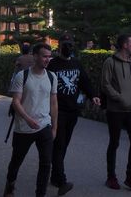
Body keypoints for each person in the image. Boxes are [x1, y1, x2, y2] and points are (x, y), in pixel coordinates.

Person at [47, 34, 101, 195]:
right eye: (66, 44)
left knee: (64, 145)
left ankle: (55, 176)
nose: (69, 47)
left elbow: (85, 82)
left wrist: (93, 96)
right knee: (59, 144)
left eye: (70, 44)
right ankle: (61, 181)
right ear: (60, 46)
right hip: (58, 110)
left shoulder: (76, 63)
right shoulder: (53, 65)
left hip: (73, 111)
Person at [4, 43, 58, 197]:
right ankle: (10, 185)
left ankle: (40, 194)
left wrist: (54, 127)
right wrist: (27, 119)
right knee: (16, 161)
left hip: (44, 125)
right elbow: (16, 101)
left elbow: (54, 103)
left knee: (46, 163)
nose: (48, 59)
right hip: (24, 127)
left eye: (49, 56)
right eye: (44, 56)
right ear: (35, 56)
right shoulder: (23, 75)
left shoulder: (52, 76)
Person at [101, 34, 131, 192]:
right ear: (125, 45)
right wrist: (119, 98)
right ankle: (111, 177)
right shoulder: (110, 62)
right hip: (115, 110)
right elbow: (105, 84)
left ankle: (130, 177)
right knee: (114, 142)